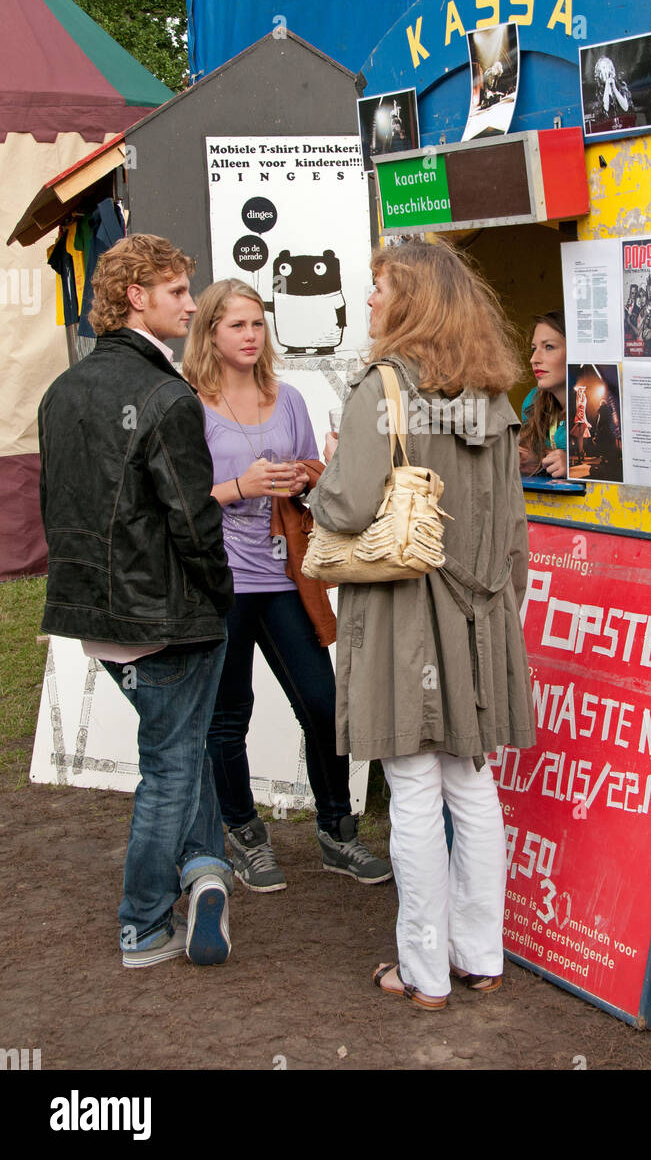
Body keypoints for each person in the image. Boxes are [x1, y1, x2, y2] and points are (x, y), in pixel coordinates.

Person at [310, 239, 535, 1008]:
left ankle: (423, 971)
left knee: (410, 787)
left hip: (405, 616)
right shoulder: (494, 396)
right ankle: (480, 956)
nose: (368, 300)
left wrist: (334, 465)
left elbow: (342, 506)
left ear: (408, 301)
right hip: (481, 615)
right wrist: (504, 614)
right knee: (470, 786)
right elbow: (514, 529)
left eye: (378, 288)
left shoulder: (385, 388)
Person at [38, 235, 235, 969]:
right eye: (178, 291)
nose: (191, 303)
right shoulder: (166, 396)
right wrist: (222, 593)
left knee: (177, 751)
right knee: (173, 764)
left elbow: (53, 504)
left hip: (97, 617)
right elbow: (193, 520)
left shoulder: (62, 390)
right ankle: (144, 923)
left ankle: (203, 868)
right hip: (165, 617)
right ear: (135, 298)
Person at [183, 279, 392, 890]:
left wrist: (305, 477)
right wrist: (240, 487)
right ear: (211, 334)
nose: (250, 336)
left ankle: (337, 833)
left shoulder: (290, 397)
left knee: (324, 705)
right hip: (219, 582)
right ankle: (245, 834)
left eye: (256, 324)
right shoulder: (187, 403)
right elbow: (178, 502)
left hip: (283, 576)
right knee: (229, 716)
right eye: (236, 326)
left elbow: (312, 483)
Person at [519, 310, 568, 478]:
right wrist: (532, 459)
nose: (534, 358)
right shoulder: (533, 402)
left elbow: (614, 460)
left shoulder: (597, 401)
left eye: (549, 347)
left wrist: (573, 463)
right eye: (534, 348)